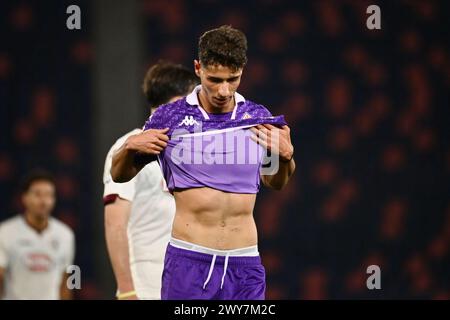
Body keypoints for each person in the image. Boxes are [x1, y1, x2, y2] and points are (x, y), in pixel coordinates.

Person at [111, 25, 295, 300]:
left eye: (232, 79)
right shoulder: (169, 118)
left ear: (242, 71)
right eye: (214, 79)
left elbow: (275, 182)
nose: (223, 90)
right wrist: (128, 148)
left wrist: (286, 157)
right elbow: (119, 175)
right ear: (198, 68)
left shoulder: (258, 117)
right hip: (189, 261)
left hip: (244, 263)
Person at [103, 61, 199, 300]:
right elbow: (115, 224)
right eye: (193, 101)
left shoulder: (193, 148)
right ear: (178, 101)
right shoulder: (130, 148)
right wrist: (126, 291)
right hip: (147, 286)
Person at [0, 169, 75, 300]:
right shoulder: (5, 232)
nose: (43, 201)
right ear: (24, 198)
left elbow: (68, 278)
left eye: (48, 195)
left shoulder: (65, 234)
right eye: (37, 194)